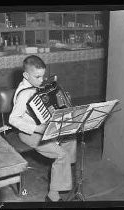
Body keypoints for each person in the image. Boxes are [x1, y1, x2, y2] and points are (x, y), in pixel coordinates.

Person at [9, 55, 76, 202]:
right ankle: (53, 196)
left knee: (71, 137)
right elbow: (13, 119)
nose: (41, 80)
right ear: (26, 75)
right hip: (29, 133)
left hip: (44, 127)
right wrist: (37, 128)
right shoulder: (24, 94)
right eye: (37, 77)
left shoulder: (37, 87)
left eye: (43, 76)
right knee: (61, 155)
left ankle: (61, 175)